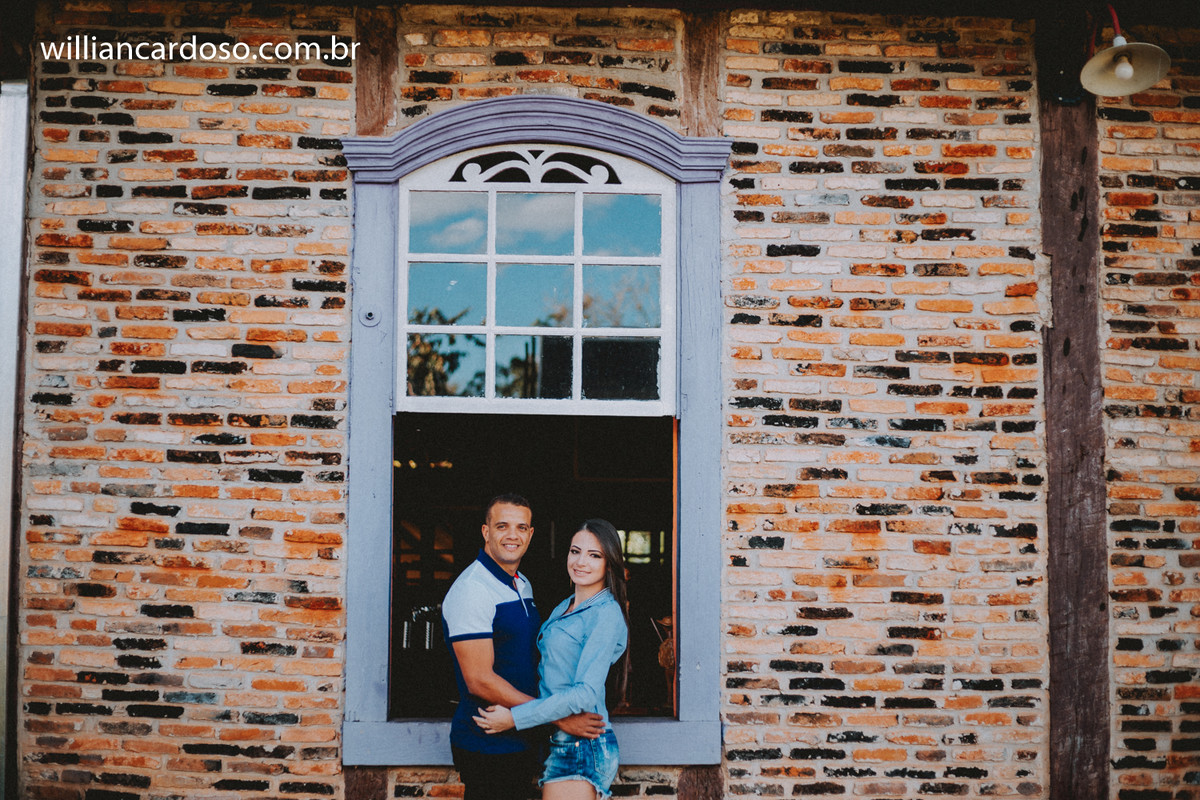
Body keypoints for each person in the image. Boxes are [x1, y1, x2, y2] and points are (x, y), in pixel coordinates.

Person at [441, 495, 605, 800]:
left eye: (521, 527)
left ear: (530, 534)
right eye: (502, 526)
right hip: (487, 740)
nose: (512, 535)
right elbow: (478, 679)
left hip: (521, 737)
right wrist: (556, 716)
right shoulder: (472, 589)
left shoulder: (521, 583)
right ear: (486, 531)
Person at [474, 519, 630, 800]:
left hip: (581, 747)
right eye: (575, 551)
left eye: (594, 556)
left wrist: (515, 717)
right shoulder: (565, 605)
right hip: (559, 741)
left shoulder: (605, 613)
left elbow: (585, 693)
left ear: (610, 563)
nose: (581, 562)